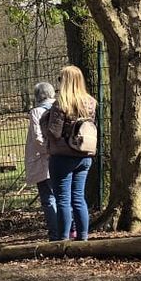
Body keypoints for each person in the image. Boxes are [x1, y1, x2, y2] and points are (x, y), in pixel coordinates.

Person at [41, 65, 97, 242]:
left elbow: (54, 133)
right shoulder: (90, 102)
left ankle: (62, 239)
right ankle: (83, 237)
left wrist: (44, 121)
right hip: (84, 155)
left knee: (63, 199)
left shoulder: (61, 103)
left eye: (60, 79)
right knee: (78, 198)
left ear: (65, 81)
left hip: (62, 157)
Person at [23, 81, 61, 241]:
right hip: (63, 157)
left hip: (44, 160)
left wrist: (48, 150)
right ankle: (69, 229)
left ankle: (55, 234)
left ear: (37, 96)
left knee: (48, 198)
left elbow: (38, 138)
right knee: (63, 196)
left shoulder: (37, 112)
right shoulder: (61, 107)